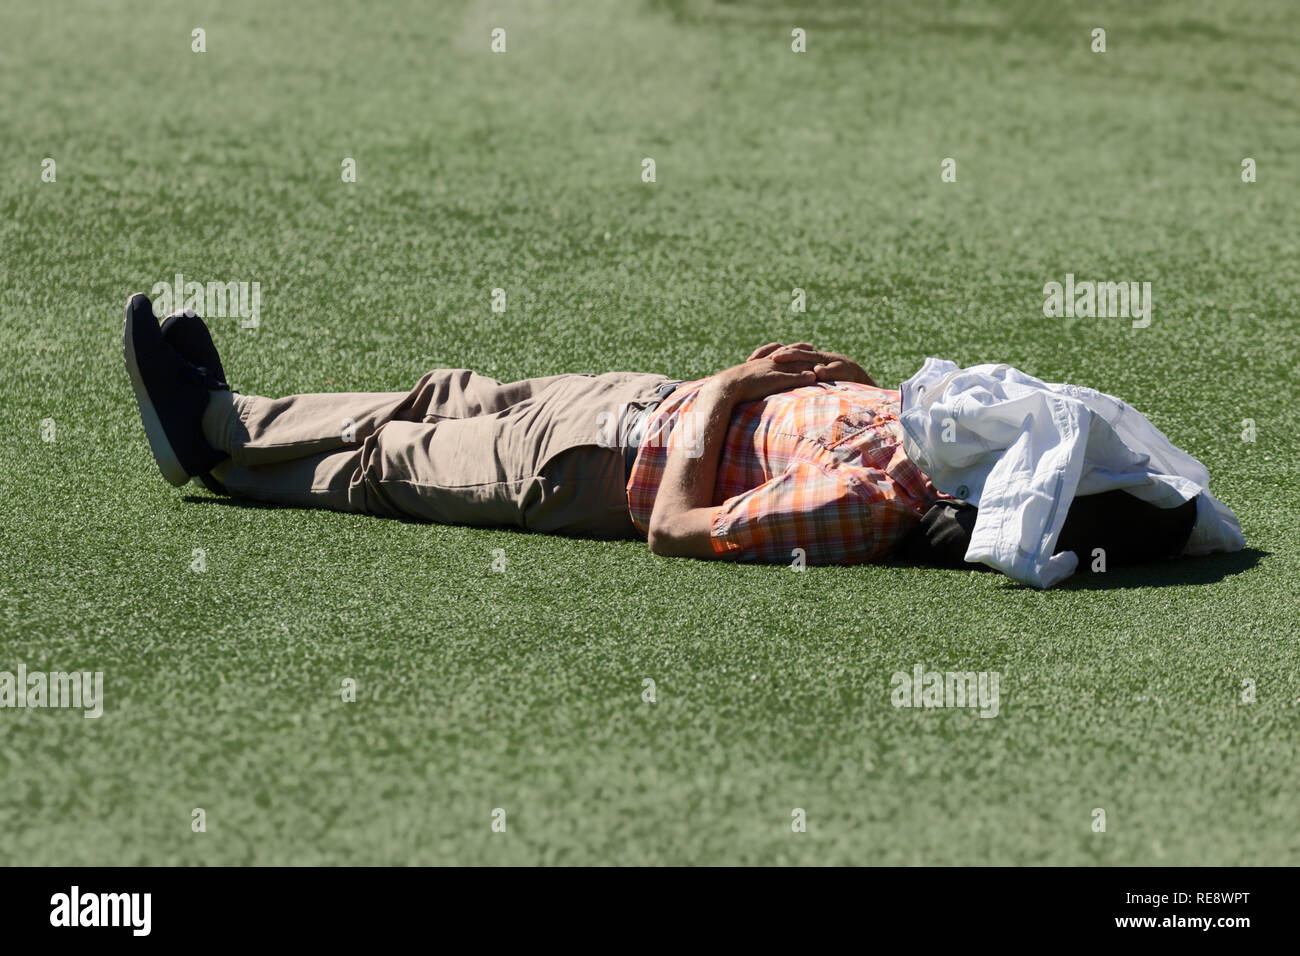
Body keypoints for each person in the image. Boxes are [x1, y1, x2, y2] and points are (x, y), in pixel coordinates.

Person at [122, 293, 1197, 572]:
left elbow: (681, 530)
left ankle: (210, 441)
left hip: (599, 469)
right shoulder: (932, 442)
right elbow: (813, 426)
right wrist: (836, 381)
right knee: (440, 392)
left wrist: (732, 387)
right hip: (637, 399)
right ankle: (233, 413)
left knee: (391, 463)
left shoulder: (878, 508)